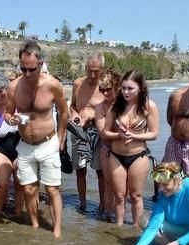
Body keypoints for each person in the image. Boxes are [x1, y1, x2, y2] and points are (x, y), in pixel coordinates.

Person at [4, 40, 68, 237]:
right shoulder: (14, 87)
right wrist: (11, 119)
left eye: (31, 69)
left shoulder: (53, 85)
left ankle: (56, 231)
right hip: (25, 145)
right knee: (29, 190)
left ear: (40, 63)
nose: (27, 74)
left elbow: (64, 112)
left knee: (52, 190)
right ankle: (34, 226)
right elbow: (7, 113)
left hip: (48, 143)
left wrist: (61, 138)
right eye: (23, 69)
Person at [101, 70, 159, 227]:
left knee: (136, 196)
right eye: (123, 88)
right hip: (115, 156)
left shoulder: (149, 106)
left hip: (138, 156)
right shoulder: (116, 106)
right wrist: (118, 135)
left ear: (140, 88)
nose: (126, 92)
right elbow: (105, 132)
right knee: (119, 196)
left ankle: (136, 229)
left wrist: (134, 136)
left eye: (130, 88)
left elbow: (154, 134)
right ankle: (119, 227)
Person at [68, 53, 105, 211]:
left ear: (102, 70)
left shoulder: (106, 86)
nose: (92, 75)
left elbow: (112, 111)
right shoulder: (78, 84)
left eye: (96, 71)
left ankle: (103, 205)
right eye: (89, 70)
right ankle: (82, 204)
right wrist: (75, 116)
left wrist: (93, 118)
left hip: (99, 133)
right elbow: (73, 106)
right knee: (80, 170)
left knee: (100, 171)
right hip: (79, 132)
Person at [0, 72, 23, 217]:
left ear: (7, 89)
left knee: (20, 185)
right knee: (2, 185)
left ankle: (18, 213)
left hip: (20, 147)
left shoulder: (18, 103)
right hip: (1, 148)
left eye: (0, 91)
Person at [94, 70, 122, 222]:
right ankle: (109, 216)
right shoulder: (100, 107)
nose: (104, 93)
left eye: (108, 89)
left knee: (126, 187)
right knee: (108, 183)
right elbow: (103, 132)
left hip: (126, 150)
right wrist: (122, 135)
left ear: (116, 86)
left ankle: (124, 218)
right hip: (107, 149)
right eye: (101, 89)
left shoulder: (126, 103)